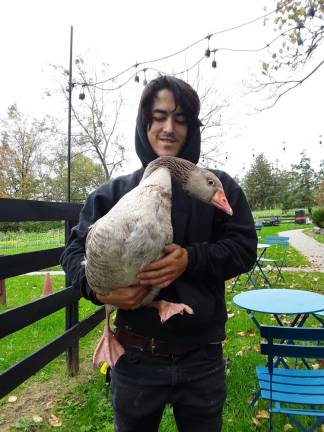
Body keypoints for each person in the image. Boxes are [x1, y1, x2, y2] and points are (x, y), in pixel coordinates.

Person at [60, 75, 257, 432]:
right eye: (160, 116)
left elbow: (244, 249)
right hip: (135, 356)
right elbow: (72, 252)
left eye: (180, 119)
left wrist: (190, 259)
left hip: (202, 357)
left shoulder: (218, 187)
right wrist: (96, 289)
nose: (169, 127)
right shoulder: (114, 192)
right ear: (145, 123)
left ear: (192, 127)